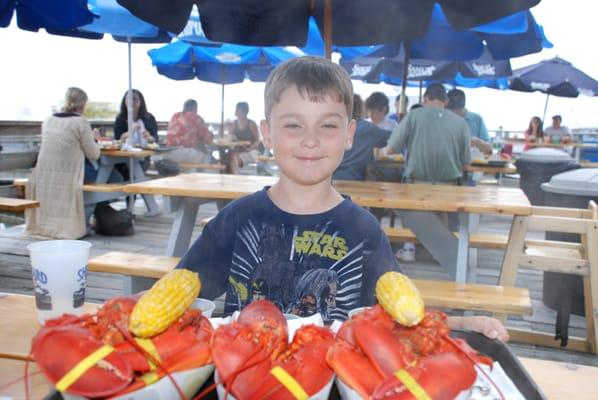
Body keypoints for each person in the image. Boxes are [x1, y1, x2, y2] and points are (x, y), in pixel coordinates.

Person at [176, 56, 508, 341]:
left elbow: (400, 318)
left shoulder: (364, 230)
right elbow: (177, 299)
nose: (310, 140)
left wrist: (461, 324)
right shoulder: (236, 220)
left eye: (328, 126)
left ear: (349, 135)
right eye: (293, 125)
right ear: (267, 134)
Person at [385, 83, 471, 263]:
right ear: (446, 101)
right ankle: (442, 253)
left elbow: (391, 149)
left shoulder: (414, 116)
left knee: (406, 207)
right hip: (449, 187)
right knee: (443, 213)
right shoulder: (460, 123)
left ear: (424, 99)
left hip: (416, 184)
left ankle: (409, 248)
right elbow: (466, 165)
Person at [25, 87, 100, 239]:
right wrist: (95, 138)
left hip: (46, 176)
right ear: (83, 104)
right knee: (113, 176)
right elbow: (94, 154)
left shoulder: (48, 120)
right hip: (71, 175)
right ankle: (95, 219)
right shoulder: (80, 122)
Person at [333, 94, 391, 181]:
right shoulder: (368, 129)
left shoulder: (333, 126)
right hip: (354, 179)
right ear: (361, 109)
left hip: (330, 180)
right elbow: (395, 138)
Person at [113, 89, 158, 180]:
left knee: (140, 171)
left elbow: (155, 139)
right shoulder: (121, 118)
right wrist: (130, 132)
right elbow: (118, 139)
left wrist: (149, 137)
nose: (131, 102)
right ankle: (132, 192)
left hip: (143, 156)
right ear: (124, 101)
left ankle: (137, 192)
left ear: (141, 101)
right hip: (122, 158)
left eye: (135, 99)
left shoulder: (149, 118)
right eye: (128, 99)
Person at [164, 99, 213, 164]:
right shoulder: (196, 118)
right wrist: (211, 135)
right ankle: (202, 172)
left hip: (170, 153)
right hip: (187, 153)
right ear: (195, 108)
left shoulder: (175, 116)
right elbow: (207, 139)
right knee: (208, 156)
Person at [447, 88, 492, 155]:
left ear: (463, 107)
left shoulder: (476, 119)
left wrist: (478, 143)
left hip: (473, 163)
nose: (454, 116)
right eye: (451, 112)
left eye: (458, 112)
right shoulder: (443, 119)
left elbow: (489, 150)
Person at [226, 101, 261, 174]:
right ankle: (233, 176)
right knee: (229, 157)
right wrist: (229, 130)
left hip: (251, 152)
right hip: (238, 151)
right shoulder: (234, 123)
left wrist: (249, 148)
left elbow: (257, 140)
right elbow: (229, 138)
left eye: (237, 109)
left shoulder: (251, 124)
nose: (235, 111)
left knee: (234, 158)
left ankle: (234, 177)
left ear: (244, 111)